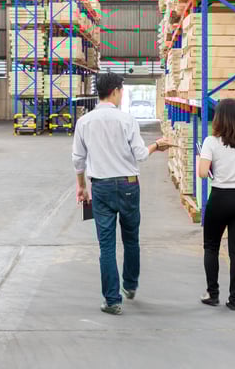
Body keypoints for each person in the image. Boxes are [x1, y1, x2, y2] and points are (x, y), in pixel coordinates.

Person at [72, 73, 171, 315]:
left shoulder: (85, 122)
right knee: (131, 239)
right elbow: (140, 154)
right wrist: (157, 145)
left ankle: (112, 300)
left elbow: (78, 159)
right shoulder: (127, 120)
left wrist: (81, 186)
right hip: (128, 186)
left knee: (106, 246)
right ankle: (130, 284)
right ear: (116, 91)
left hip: (101, 187)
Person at [197, 99, 235, 311]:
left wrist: (207, 162)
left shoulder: (211, 142)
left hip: (220, 198)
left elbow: (203, 173)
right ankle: (234, 300)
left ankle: (212, 294)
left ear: (218, 117)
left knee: (211, 247)